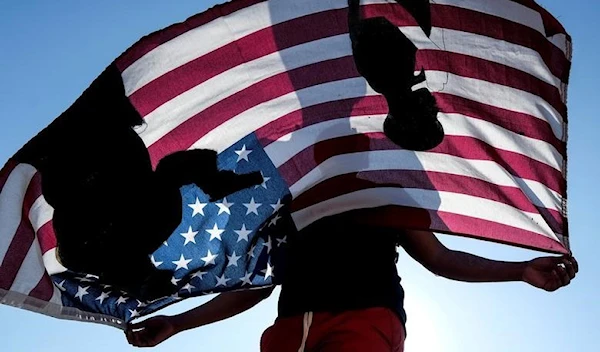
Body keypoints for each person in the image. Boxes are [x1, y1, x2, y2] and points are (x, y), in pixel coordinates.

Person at [125, 211, 578, 351]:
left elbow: (439, 257)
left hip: (365, 320)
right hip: (289, 330)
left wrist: (517, 270)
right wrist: (178, 324)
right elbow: (258, 285)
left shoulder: (388, 184)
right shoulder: (290, 194)